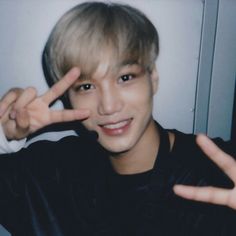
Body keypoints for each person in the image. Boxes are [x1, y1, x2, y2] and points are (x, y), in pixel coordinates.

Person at [0, 1, 235, 235]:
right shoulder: (53, 173)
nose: (109, 106)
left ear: (153, 79)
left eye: (125, 78)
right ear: (68, 97)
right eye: (86, 86)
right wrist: (4, 135)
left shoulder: (217, 175)